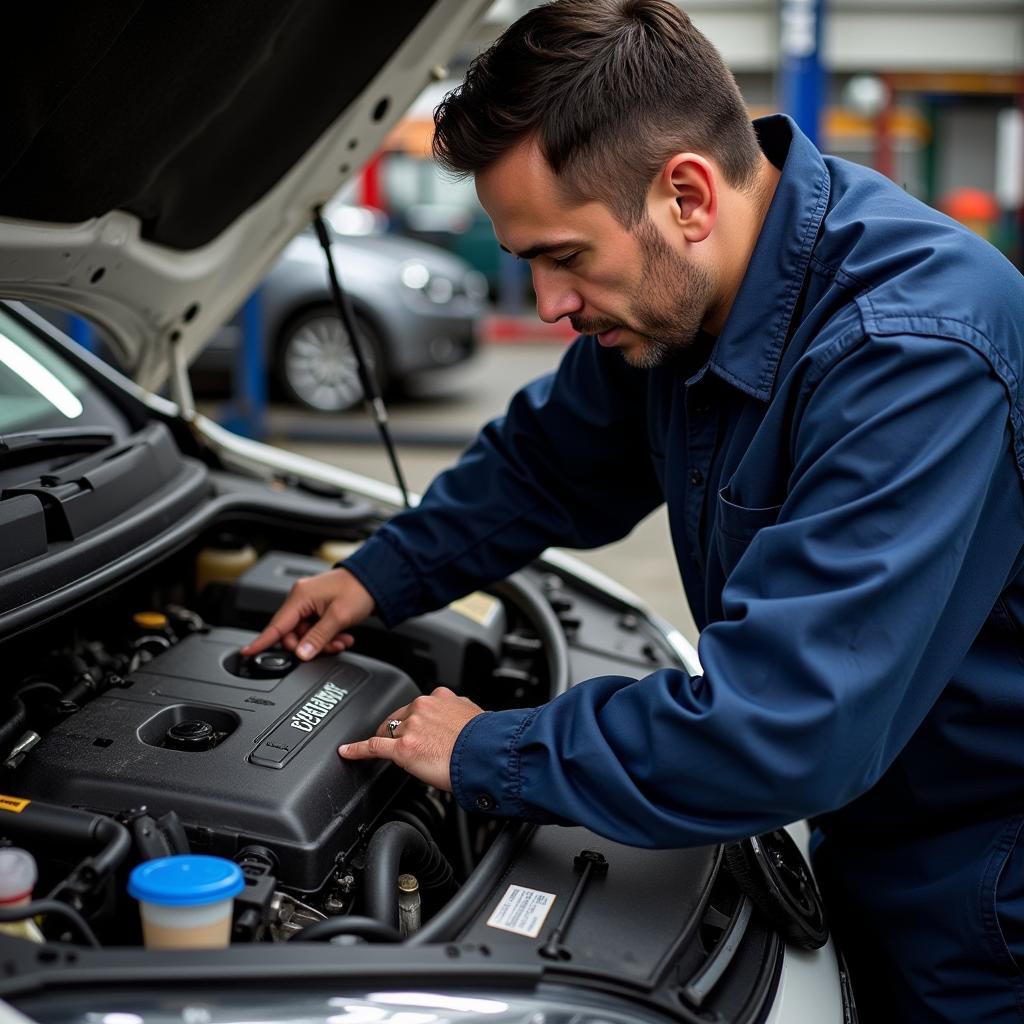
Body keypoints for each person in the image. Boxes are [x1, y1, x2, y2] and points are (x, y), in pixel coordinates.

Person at [243, 1, 1024, 1018]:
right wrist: (376, 576)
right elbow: (543, 465)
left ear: (686, 195)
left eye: (564, 256)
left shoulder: (911, 353)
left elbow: (789, 727)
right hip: (867, 822)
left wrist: (489, 748)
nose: (548, 306)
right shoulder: (683, 297)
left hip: (980, 888)